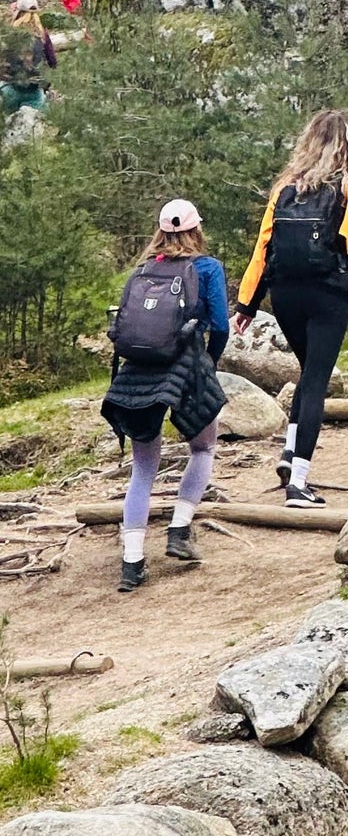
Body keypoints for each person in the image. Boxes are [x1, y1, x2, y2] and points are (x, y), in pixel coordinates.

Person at [235, 109, 348, 507]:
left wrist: (247, 303)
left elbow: (263, 247)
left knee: (310, 371)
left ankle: (289, 452)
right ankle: (299, 483)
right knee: (318, 378)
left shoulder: (287, 187)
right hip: (327, 294)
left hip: (285, 294)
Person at [101, 200, 230, 592]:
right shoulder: (207, 268)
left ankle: (132, 564)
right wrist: (207, 363)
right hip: (185, 367)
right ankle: (178, 531)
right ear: (196, 230)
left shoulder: (143, 270)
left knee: (143, 468)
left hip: (136, 374)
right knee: (204, 447)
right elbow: (221, 326)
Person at [1, 0, 57, 114]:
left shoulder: (8, 35)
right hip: (35, 92)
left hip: (10, 89)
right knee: (35, 129)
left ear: (18, 12)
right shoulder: (42, 36)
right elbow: (53, 62)